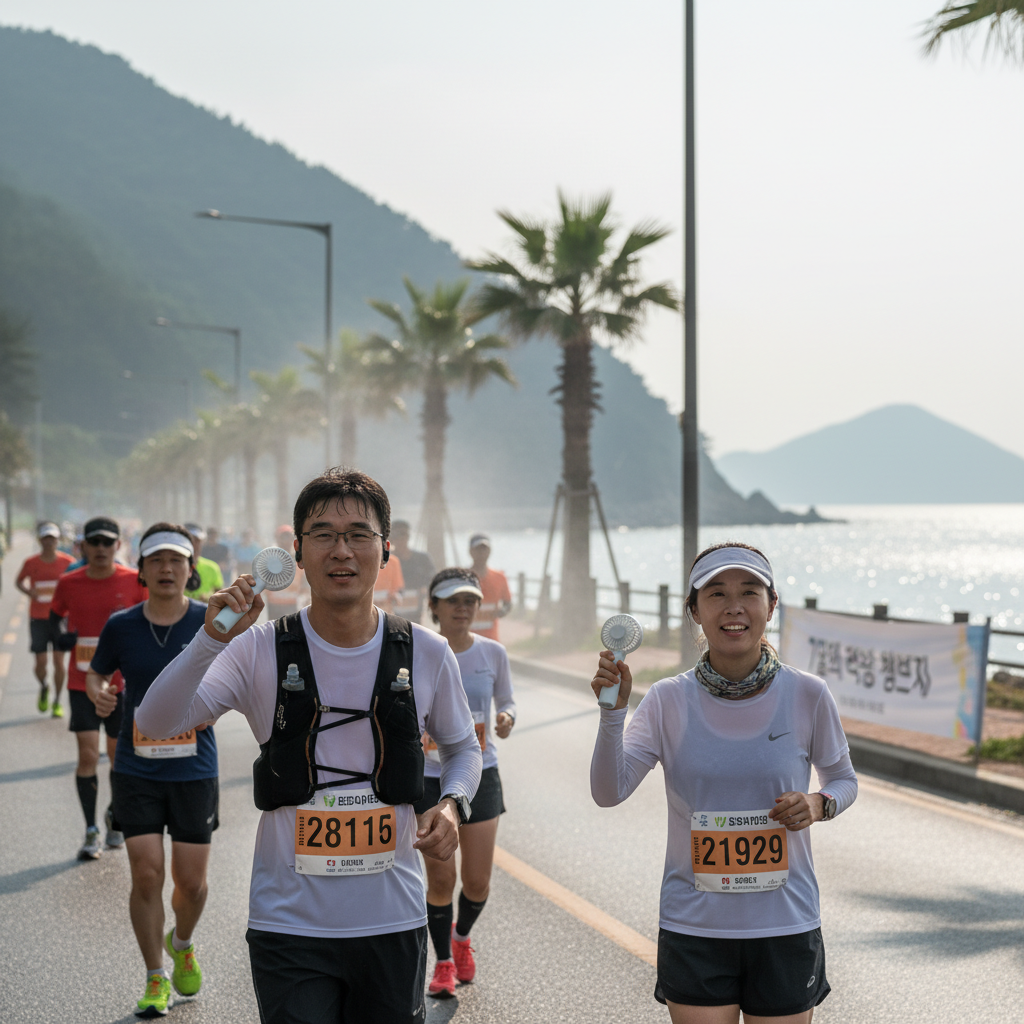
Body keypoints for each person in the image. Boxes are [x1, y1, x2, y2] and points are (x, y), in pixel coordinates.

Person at [137, 468, 482, 1024]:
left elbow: (464, 751)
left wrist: (451, 803)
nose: (340, 550)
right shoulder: (256, 650)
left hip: (392, 918)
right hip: (287, 924)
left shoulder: (427, 650)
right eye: (322, 534)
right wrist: (209, 641)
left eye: (358, 534)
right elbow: (155, 722)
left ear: (385, 549)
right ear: (296, 551)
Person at [589, 543, 858, 1024]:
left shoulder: (808, 694)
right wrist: (613, 714)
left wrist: (819, 804)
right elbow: (609, 793)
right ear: (695, 611)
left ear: (771, 605)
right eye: (716, 594)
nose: (734, 606)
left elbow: (842, 781)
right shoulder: (668, 700)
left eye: (749, 592)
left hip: (785, 922)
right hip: (695, 925)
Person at [86, 523, 216, 1018]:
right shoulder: (121, 625)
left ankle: (181, 942)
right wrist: (99, 691)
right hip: (136, 767)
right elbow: (97, 670)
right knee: (145, 875)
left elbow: (238, 673)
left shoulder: (211, 622)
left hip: (195, 769)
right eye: (156, 561)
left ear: (191, 570)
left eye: (176, 561)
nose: (166, 569)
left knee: (193, 884)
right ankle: (155, 976)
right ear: (141, 571)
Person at [415, 568, 516, 999]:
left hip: (480, 773)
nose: (463, 608)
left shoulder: (493, 652)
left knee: (476, 883)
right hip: (427, 776)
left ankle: (461, 937)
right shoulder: (417, 648)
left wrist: (507, 717)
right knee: (440, 880)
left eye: (471, 601)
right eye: (453, 601)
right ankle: (442, 963)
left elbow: (507, 698)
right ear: (434, 606)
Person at [50, 517, 148, 859]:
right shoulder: (69, 582)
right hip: (82, 682)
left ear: (118, 546)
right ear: (83, 547)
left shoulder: (134, 581)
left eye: (108, 542)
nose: (102, 549)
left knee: (120, 758)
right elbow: (54, 615)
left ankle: (114, 816)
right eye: (95, 542)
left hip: (123, 686)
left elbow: (150, 617)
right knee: (88, 755)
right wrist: (60, 637)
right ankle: (91, 829)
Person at [16, 521, 74, 715]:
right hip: (38, 618)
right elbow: (18, 581)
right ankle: (43, 686)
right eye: (46, 538)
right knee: (40, 663)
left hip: (59, 618)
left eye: (53, 538)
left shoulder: (68, 562)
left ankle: (57, 701)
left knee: (59, 662)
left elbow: (77, 584)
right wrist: (29, 592)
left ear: (58, 540)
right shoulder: (31, 563)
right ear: (40, 540)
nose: (49, 542)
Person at [468, 534, 512, 641]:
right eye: (478, 549)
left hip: (491, 639)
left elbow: (508, 603)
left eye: (485, 549)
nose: (482, 553)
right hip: (466, 641)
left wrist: (502, 612)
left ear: (489, 551)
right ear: (471, 552)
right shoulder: (464, 577)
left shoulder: (499, 577)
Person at [390, 521, 435, 624]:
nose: (401, 539)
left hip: (417, 614)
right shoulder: (386, 561)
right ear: (391, 538)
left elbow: (433, 580)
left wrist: (425, 589)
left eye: (403, 534)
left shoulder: (423, 559)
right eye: (396, 535)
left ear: (408, 536)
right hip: (392, 614)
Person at [263, 524, 310, 620]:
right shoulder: (269, 560)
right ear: (277, 539)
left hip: (293, 604)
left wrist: (306, 598)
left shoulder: (299, 560)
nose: (286, 541)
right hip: (274, 605)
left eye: (288, 537)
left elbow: (305, 583)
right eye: (283, 537)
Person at [183, 523, 225, 602]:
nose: (194, 545)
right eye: (189, 540)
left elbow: (220, 595)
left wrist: (208, 599)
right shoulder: (171, 569)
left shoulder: (212, 567)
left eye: (197, 541)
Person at [372, 543, 405, 613]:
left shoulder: (393, 562)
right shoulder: (364, 561)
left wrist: (393, 595)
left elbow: (397, 587)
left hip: (387, 603)